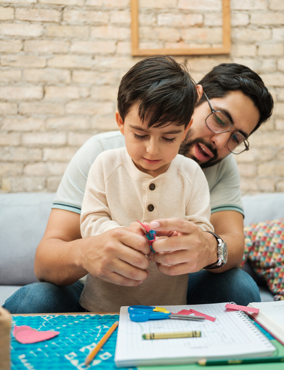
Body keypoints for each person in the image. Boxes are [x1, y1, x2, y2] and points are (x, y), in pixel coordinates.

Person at [3, 57, 274, 314]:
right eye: (220, 120)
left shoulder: (211, 169)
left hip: (172, 289)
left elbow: (233, 245)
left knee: (239, 285)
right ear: (197, 98)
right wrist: (92, 250)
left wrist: (206, 247)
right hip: (98, 287)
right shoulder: (103, 154)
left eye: (237, 138)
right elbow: (46, 259)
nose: (220, 140)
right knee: (34, 300)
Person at [79, 56, 213, 312]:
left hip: (169, 307)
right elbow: (90, 221)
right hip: (102, 306)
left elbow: (202, 230)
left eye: (169, 137)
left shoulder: (191, 172)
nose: (152, 149)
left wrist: (180, 238)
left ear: (185, 132)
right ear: (120, 122)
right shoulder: (105, 164)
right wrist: (119, 234)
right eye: (140, 135)